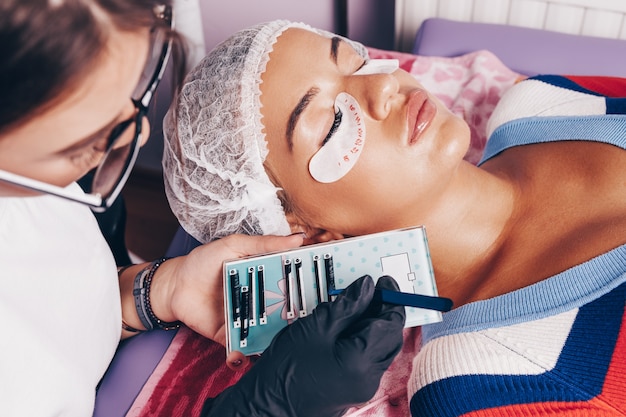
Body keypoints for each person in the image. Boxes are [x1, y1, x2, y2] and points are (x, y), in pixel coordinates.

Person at [163, 19, 626, 416]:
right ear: (310, 233)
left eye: (356, 60)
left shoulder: (543, 101)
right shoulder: (487, 374)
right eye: (333, 125)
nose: (385, 85)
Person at [0, 4, 406, 416]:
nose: (139, 135)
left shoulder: (28, 180)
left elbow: (57, 304)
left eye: (134, 91)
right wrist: (266, 409)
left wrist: (153, 293)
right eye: (89, 141)